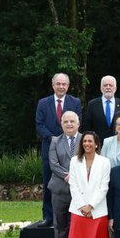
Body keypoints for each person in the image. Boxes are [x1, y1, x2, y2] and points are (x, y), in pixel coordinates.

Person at [62, 132, 112, 238]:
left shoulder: (104, 162)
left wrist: (91, 206)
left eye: (90, 141)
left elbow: (104, 186)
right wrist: (82, 206)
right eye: (85, 141)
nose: (87, 144)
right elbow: (73, 185)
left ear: (96, 144)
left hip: (97, 211)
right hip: (78, 211)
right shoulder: (75, 161)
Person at [36, 72, 82, 228]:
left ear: (68, 86)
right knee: (50, 183)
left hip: (71, 149)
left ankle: (71, 216)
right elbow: (39, 125)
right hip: (49, 147)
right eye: (58, 84)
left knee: (74, 183)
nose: (61, 86)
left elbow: (77, 123)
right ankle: (48, 216)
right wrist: (54, 140)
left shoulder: (75, 102)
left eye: (64, 84)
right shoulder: (43, 103)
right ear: (53, 85)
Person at [47, 111, 82, 238]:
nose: (69, 124)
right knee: (60, 223)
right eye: (66, 121)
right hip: (60, 189)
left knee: (79, 224)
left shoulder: (85, 139)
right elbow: (53, 164)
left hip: (81, 189)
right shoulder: (55, 141)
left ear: (78, 123)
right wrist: (68, 176)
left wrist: (75, 176)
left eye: (72, 121)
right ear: (61, 124)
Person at [84, 75, 120, 141]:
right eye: (105, 85)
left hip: (118, 143)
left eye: (110, 85)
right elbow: (87, 127)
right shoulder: (92, 104)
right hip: (98, 144)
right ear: (101, 88)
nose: (108, 87)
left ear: (115, 88)